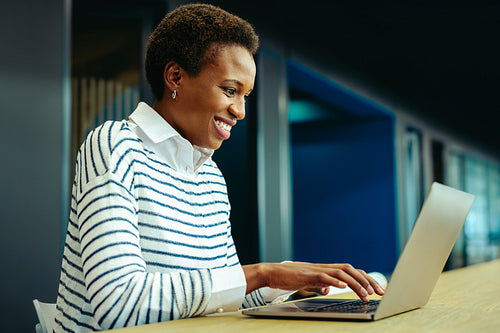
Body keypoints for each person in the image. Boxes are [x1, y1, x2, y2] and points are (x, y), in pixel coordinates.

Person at [54, 4, 384, 332]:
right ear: (175, 77)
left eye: (245, 95)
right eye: (230, 90)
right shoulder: (114, 144)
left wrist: (289, 282)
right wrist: (263, 273)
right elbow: (119, 305)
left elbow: (225, 296)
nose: (239, 110)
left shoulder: (211, 177)